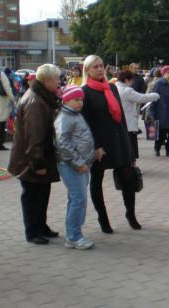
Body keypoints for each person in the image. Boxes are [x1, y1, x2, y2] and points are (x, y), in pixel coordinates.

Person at [80, 55, 139, 233]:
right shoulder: (85, 92)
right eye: (95, 67)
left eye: (101, 66)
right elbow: (85, 123)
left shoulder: (112, 88)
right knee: (96, 182)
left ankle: (131, 214)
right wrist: (96, 146)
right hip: (99, 144)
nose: (99, 69)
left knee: (128, 178)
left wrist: (128, 144)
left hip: (118, 140)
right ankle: (103, 219)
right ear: (87, 70)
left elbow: (120, 117)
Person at [8, 64, 62, 245]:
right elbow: (34, 136)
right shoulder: (36, 101)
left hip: (37, 156)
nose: (59, 82)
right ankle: (32, 231)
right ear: (47, 81)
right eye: (57, 79)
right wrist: (38, 163)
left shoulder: (41, 96)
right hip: (30, 159)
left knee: (42, 194)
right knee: (32, 196)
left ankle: (41, 226)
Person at [54, 85, 96, 250]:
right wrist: (78, 163)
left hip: (82, 165)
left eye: (81, 100)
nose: (80, 103)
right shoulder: (64, 117)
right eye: (76, 99)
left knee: (76, 199)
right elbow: (62, 144)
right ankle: (73, 237)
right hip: (72, 166)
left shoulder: (75, 115)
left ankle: (74, 233)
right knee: (79, 200)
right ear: (66, 100)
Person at [115, 70, 160, 159]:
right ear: (126, 80)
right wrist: (156, 95)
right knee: (130, 149)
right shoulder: (126, 91)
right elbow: (142, 97)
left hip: (118, 123)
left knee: (121, 149)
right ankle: (132, 168)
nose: (131, 83)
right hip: (129, 124)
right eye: (131, 80)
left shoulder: (114, 88)